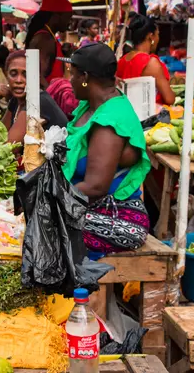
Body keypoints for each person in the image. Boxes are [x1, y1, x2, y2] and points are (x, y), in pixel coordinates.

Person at [63, 43, 150, 259]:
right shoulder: (91, 105)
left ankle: (80, 292)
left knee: (42, 231)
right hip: (89, 210)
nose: (69, 81)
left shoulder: (110, 122)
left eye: (72, 75)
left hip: (117, 219)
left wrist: (48, 199)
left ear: (85, 77)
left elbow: (96, 186)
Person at [0, 50, 68, 146]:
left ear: (36, 77)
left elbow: (7, 148)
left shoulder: (38, 101)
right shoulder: (15, 101)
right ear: (6, 75)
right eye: (13, 74)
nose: (18, 80)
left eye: (25, 75)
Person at [116, 13, 176, 106]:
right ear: (151, 36)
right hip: (148, 116)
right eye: (157, 34)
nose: (158, 38)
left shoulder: (123, 60)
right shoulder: (150, 63)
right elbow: (169, 99)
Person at [27, 0, 73, 87]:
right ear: (56, 17)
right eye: (68, 17)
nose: (70, 22)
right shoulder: (45, 39)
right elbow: (37, 76)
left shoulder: (48, 37)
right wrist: (51, 97)